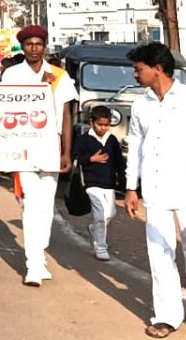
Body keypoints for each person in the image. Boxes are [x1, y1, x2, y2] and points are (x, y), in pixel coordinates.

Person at [124, 42, 186, 337]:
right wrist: (131, 188)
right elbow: (136, 148)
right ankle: (167, 315)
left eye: (138, 69)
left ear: (157, 69)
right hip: (155, 189)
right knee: (159, 252)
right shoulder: (140, 103)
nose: (134, 74)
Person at [1, 25, 77, 286]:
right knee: (31, 204)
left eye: (38, 44)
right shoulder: (11, 74)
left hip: (51, 145)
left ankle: (39, 253)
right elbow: (5, 109)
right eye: (29, 44)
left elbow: (66, 116)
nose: (34, 49)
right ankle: (33, 264)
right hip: (24, 144)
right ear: (22, 47)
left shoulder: (59, 76)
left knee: (46, 206)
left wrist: (67, 152)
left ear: (44, 46)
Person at [73, 106, 123, 261]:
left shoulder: (112, 140)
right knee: (100, 214)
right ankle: (100, 247)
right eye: (100, 124)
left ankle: (94, 228)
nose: (103, 128)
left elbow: (119, 162)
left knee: (110, 213)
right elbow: (74, 159)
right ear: (92, 122)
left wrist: (123, 181)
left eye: (106, 125)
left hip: (108, 183)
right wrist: (91, 159)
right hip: (91, 183)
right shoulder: (83, 140)